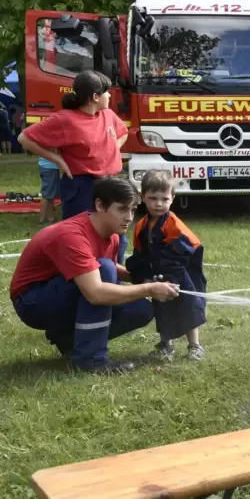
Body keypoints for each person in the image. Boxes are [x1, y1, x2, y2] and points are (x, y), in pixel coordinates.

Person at [9, 177, 179, 373]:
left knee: (141, 309)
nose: (129, 217)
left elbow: (105, 268)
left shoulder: (112, 233)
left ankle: (69, 340)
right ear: (100, 205)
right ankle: (91, 359)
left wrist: (140, 279)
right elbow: (96, 292)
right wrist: (149, 288)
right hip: (32, 302)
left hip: (64, 290)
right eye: (122, 209)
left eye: (132, 210)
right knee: (104, 270)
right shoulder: (72, 235)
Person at [17, 70, 130, 264]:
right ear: (95, 97)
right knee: (80, 238)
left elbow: (123, 132)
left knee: (117, 236)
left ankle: (112, 279)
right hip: (82, 186)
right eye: (107, 92)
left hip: (111, 184)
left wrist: (113, 149)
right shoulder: (66, 119)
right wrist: (58, 160)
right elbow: (24, 138)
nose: (110, 95)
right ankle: (84, 280)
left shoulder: (108, 115)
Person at [125, 170, 207, 360]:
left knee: (188, 308)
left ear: (173, 198)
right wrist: (141, 269)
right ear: (142, 196)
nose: (159, 204)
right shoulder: (141, 226)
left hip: (179, 276)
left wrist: (168, 264)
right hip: (158, 277)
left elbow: (191, 246)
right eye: (153, 198)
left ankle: (194, 346)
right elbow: (139, 252)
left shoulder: (173, 223)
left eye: (164, 198)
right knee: (162, 309)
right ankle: (166, 345)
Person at [38, 156, 60, 224]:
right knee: (46, 195)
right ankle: (43, 218)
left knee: (50, 194)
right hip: (50, 167)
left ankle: (50, 216)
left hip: (48, 166)